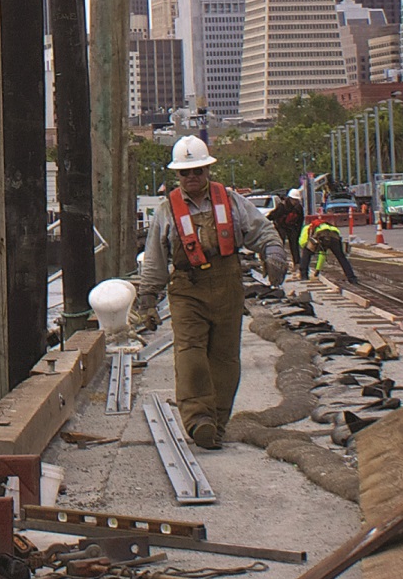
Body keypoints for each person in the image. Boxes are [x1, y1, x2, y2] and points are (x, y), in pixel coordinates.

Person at [136, 135, 290, 448]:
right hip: (187, 289)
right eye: (185, 173)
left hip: (227, 285)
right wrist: (148, 298)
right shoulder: (167, 211)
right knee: (191, 354)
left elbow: (261, 230)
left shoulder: (231, 201)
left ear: (208, 171)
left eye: (198, 171)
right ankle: (198, 419)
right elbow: (154, 257)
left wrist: (274, 252)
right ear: (177, 175)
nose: (192, 177)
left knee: (225, 358)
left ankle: (217, 423)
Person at [300, 207, 363, 288]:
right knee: (341, 257)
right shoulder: (325, 225)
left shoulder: (306, 228)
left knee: (306, 252)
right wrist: (318, 270)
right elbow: (323, 254)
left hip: (321, 235)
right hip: (334, 236)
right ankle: (351, 278)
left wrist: (308, 251)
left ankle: (304, 275)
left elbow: (303, 243)